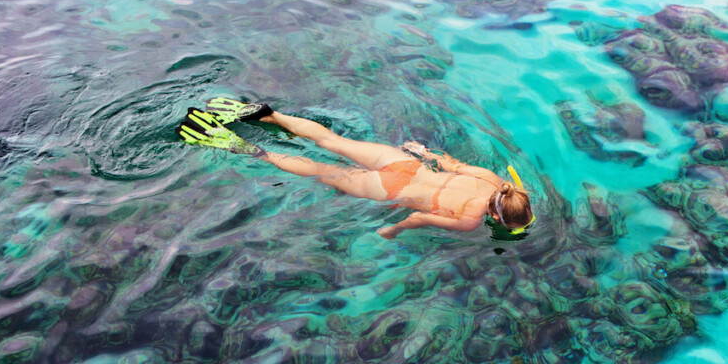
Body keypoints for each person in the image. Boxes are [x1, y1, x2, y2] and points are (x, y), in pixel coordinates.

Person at [176, 98, 535, 239]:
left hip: (404, 162)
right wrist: (391, 231)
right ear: (497, 219)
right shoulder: (471, 220)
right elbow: (418, 220)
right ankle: (246, 148)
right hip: (392, 189)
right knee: (319, 169)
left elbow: (453, 163)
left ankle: (270, 115)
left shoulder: (493, 179)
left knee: (331, 141)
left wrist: (422, 150)